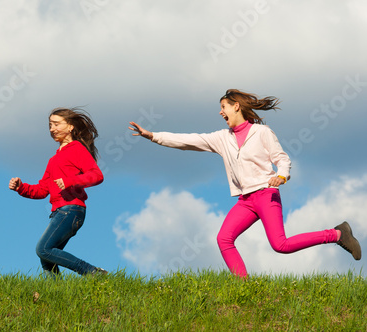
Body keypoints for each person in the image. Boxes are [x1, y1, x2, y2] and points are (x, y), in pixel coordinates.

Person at [129, 89, 362, 278]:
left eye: (223, 107)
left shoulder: (262, 132)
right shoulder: (221, 138)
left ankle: (337, 234)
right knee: (224, 239)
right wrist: (152, 136)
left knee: (280, 245)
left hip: (266, 195)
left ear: (236, 106)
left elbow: (282, 159)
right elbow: (188, 140)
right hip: (246, 201)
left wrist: (281, 175)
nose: (220, 112)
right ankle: (243, 286)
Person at [10, 107, 107, 278]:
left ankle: (93, 273)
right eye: (50, 125)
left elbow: (97, 175)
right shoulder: (53, 160)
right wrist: (21, 187)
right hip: (58, 212)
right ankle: (56, 294)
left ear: (70, 127)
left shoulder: (77, 148)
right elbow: (42, 190)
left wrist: (70, 181)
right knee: (47, 258)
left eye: (56, 124)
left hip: (71, 209)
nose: (51, 129)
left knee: (43, 249)